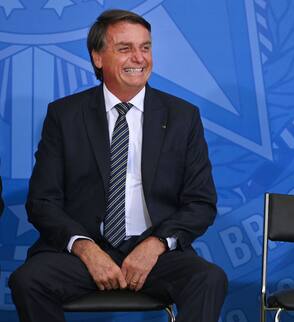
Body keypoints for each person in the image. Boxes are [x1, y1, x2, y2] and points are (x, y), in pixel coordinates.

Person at [9, 9, 227, 322]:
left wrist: (155, 245)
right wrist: (85, 248)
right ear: (98, 58)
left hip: (153, 252)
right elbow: (42, 202)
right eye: (125, 49)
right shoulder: (65, 116)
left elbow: (201, 203)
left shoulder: (182, 117)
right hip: (84, 253)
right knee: (28, 281)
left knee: (208, 278)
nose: (139, 58)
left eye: (146, 47)